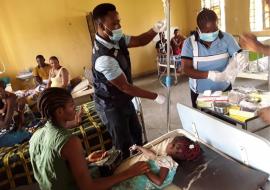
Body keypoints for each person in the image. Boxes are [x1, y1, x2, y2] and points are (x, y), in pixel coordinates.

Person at [29, 88, 150, 190]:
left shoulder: (36, 135)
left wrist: (85, 160)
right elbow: (88, 187)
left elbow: (53, 170)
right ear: (60, 111)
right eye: (71, 105)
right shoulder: (70, 141)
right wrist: (130, 173)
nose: (75, 107)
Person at [92, 3, 166, 158]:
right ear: (100, 25)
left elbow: (139, 40)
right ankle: (127, 173)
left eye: (119, 21)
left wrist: (155, 29)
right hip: (110, 104)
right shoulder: (103, 57)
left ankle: (141, 162)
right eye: (114, 23)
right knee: (124, 145)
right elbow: (125, 87)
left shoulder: (115, 38)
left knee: (137, 136)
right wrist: (155, 96)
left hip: (124, 99)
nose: (119, 26)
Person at [181, 8, 246, 108]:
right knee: (203, 121)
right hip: (200, 94)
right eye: (207, 31)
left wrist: (238, 61)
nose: (212, 34)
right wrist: (209, 75)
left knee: (226, 121)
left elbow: (239, 55)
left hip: (224, 90)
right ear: (198, 29)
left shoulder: (227, 38)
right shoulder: (189, 43)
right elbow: (186, 69)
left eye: (215, 30)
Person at [112, 136, 201, 189]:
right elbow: (151, 155)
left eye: (173, 144)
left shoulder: (168, 161)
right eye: (172, 142)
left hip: (141, 183)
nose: (169, 144)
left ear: (177, 152)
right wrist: (139, 147)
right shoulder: (165, 158)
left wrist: (145, 170)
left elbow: (159, 181)